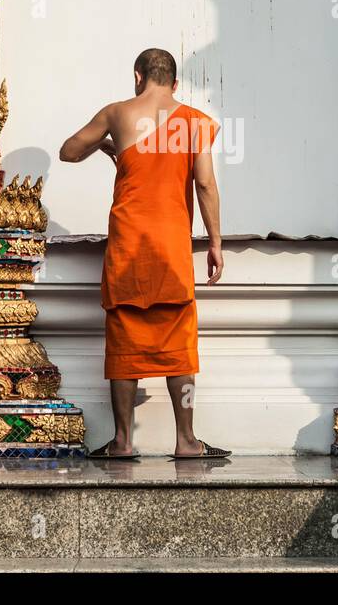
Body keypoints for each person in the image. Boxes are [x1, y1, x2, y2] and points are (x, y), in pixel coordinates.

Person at [59, 48, 229, 459]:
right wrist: (215, 242)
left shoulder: (117, 113)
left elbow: (68, 151)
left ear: (138, 76)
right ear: (174, 83)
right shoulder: (191, 122)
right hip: (171, 247)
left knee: (123, 338)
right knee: (180, 344)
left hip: (128, 245)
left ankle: (122, 441)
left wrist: (105, 143)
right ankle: (187, 440)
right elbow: (205, 185)